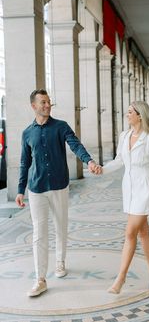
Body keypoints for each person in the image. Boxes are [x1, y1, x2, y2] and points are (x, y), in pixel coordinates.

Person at [15, 89, 101, 297]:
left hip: (59, 185)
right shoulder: (27, 133)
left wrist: (88, 161)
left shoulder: (61, 127)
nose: (47, 105)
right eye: (43, 102)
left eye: (49, 102)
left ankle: (60, 262)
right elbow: (24, 162)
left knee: (60, 226)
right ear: (33, 106)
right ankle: (40, 279)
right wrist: (20, 190)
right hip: (36, 189)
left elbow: (75, 145)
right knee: (39, 234)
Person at [101, 101, 149, 294]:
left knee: (130, 233)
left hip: (145, 188)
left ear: (140, 115)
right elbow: (119, 161)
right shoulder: (124, 136)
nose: (127, 115)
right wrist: (102, 169)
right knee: (143, 233)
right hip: (129, 188)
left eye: (130, 112)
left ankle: (120, 279)